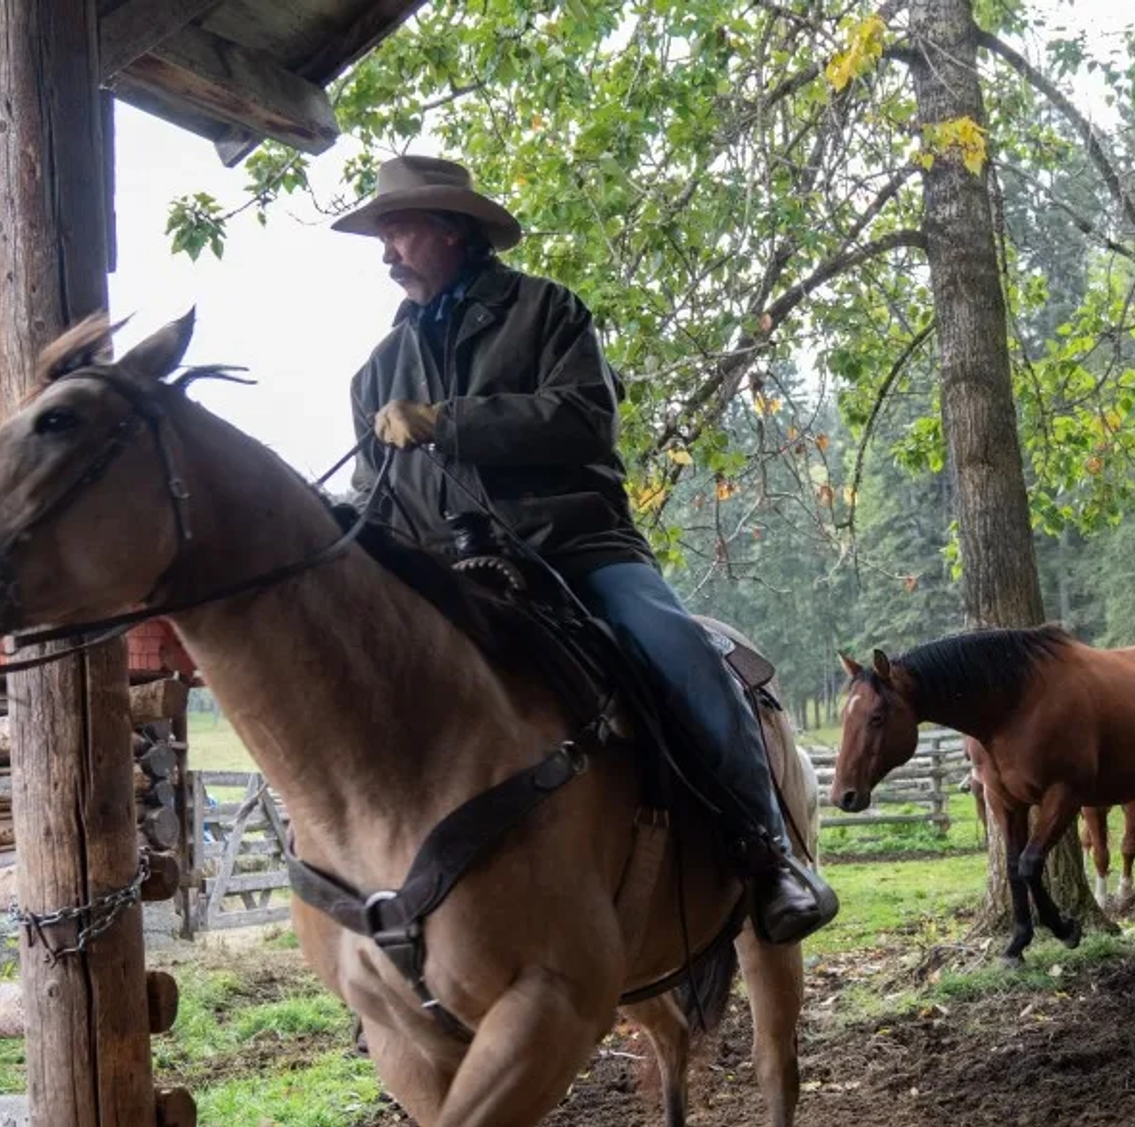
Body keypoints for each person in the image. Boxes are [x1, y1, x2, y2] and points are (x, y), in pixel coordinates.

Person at [332, 154, 836, 946]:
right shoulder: (375, 372)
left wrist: (448, 421)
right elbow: (375, 493)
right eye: (382, 234)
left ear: (452, 230)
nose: (385, 250)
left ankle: (766, 852)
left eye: (398, 229)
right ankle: (391, 922)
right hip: (445, 573)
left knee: (680, 652)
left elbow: (582, 418)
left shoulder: (548, 311)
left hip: (572, 546)